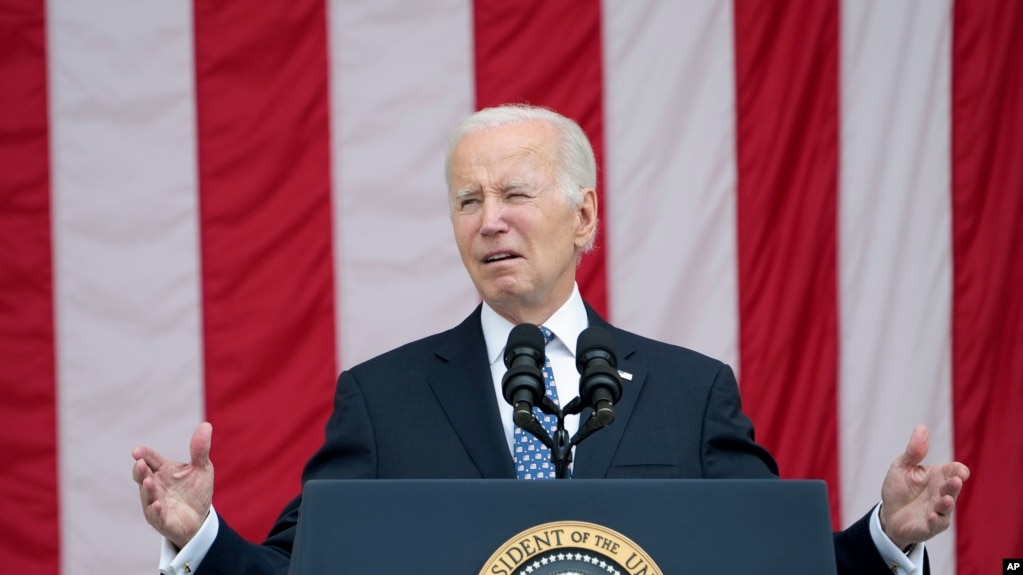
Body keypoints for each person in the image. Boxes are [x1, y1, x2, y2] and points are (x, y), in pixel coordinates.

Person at [132, 104, 970, 575]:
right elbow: (305, 573)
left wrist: (883, 537)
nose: (488, 218)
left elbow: (772, 564)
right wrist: (200, 537)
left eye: (514, 193)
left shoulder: (688, 391)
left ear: (585, 217)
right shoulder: (382, 400)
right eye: (467, 200)